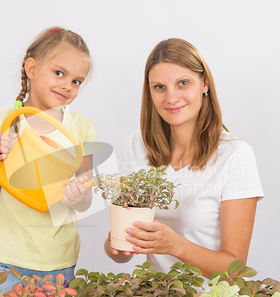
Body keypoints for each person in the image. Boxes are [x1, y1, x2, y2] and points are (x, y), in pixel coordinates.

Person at [104, 38, 263, 279]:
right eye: (159, 87)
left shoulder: (236, 155)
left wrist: (175, 245)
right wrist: (118, 245)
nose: (171, 98)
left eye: (183, 83)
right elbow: (119, 251)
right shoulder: (137, 146)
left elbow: (235, 270)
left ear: (205, 83)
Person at [0, 27, 98, 292]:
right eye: (59, 73)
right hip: (8, 262)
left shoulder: (82, 128)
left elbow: (86, 201)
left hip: (60, 263)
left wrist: (77, 194)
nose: (67, 85)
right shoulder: (3, 121)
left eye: (77, 81)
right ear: (31, 68)